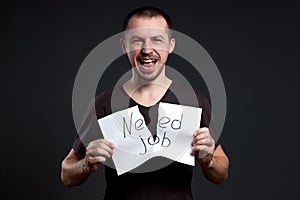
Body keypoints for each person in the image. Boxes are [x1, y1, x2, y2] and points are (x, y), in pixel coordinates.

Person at [61, 6, 229, 200]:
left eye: (157, 40)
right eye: (137, 40)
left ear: (171, 45)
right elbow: (66, 175)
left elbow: (221, 174)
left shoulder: (194, 101)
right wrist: (85, 165)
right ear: (124, 46)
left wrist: (208, 161)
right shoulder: (103, 104)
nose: (147, 49)